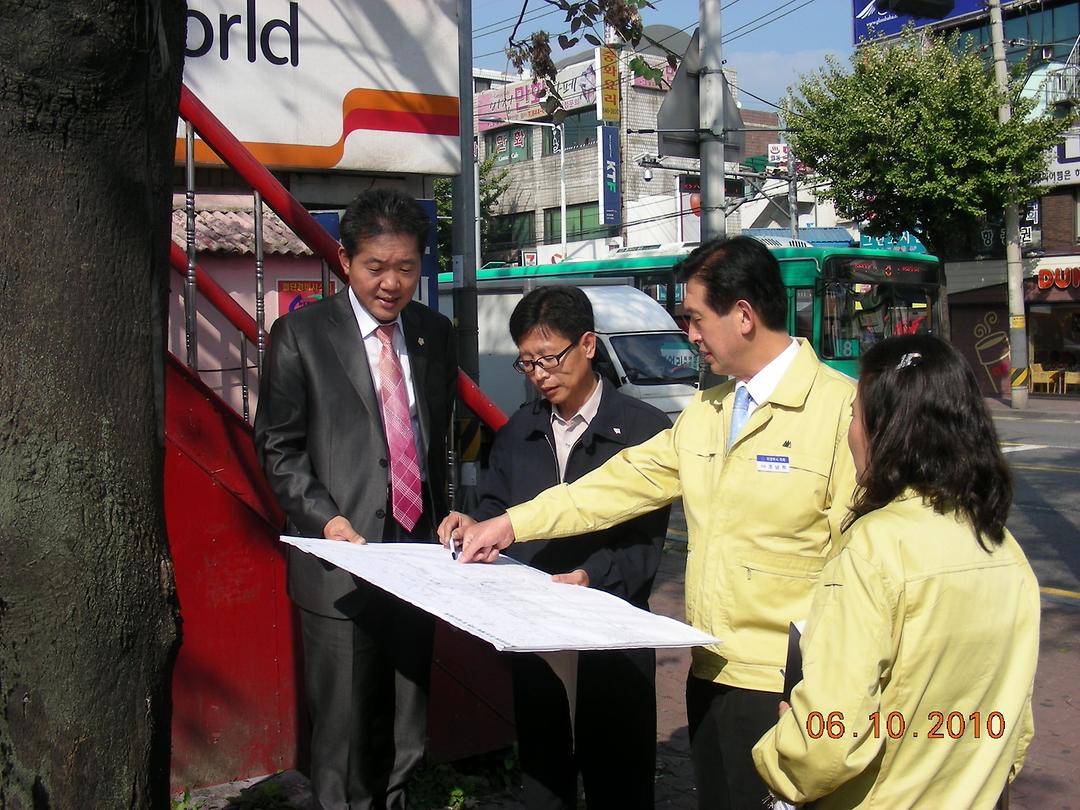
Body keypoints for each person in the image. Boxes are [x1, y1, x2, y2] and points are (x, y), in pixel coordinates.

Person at [458, 235, 858, 810]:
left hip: (787, 685)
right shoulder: (708, 411)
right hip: (711, 668)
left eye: (694, 317)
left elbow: (862, 565)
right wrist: (508, 526)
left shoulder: (841, 411)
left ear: (742, 315)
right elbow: (612, 487)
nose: (689, 334)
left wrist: (827, 689)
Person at [752, 334, 1039, 809]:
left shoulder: (874, 547)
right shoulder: (1004, 548)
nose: (849, 432)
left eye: (854, 415)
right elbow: (1013, 731)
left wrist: (779, 752)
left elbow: (827, 741)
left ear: (886, 430)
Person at [254, 188, 457, 810]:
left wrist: (451, 508)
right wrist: (326, 519)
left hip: (417, 560)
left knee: (405, 730)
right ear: (345, 260)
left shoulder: (434, 334)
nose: (392, 283)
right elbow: (278, 448)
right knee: (343, 740)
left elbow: (441, 441)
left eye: (406, 267)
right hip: (339, 562)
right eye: (376, 267)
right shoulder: (300, 335)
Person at [437, 286, 671, 810]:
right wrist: (470, 522)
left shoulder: (644, 430)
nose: (540, 373)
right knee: (543, 777)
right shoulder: (520, 429)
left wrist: (593, 577)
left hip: (612, 635)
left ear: (588, 345)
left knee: (620, 781)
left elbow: (645, 546)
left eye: (550, 357)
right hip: (537, 637)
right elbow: (498, 508)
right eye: (527, 363)